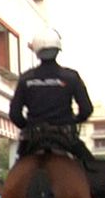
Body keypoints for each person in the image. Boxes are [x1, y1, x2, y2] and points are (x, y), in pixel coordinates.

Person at [9, 29, 94, 165]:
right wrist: (73, 120)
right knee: (92, 168)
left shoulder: (26, 78)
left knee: (16, 172)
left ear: (36, 52)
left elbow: (15, 114)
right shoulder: (71, 76)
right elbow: (86, 109)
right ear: (57, 50)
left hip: (32, 139)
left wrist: (28, 125)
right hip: (65, 136)